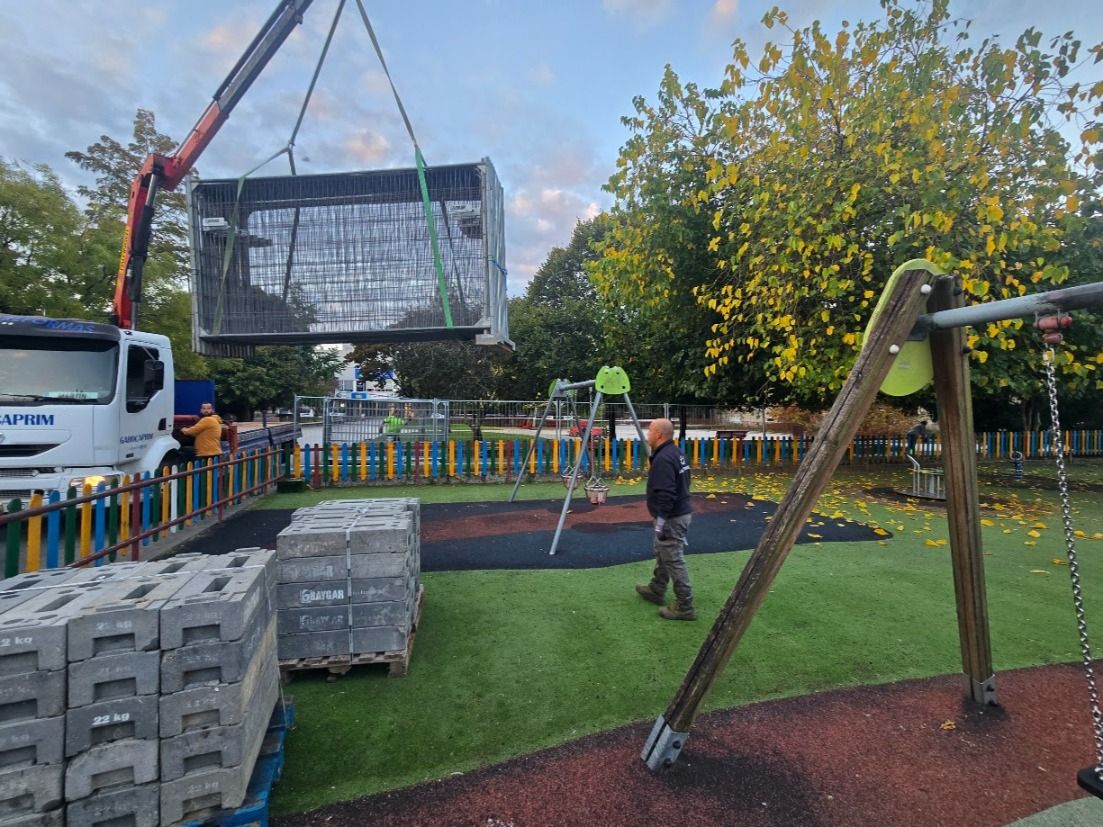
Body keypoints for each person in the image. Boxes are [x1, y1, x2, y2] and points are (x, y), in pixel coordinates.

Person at [635, 418, 696, 620]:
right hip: (679, 513)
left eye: (650, 431)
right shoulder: (676, 453)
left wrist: (661, 522)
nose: (648, 435)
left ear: (659, 435)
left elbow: (667, 494)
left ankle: (685, 605)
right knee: (664, 553)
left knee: (673, 558)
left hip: (672, 517)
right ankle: (657, 588)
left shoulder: (663, 459)